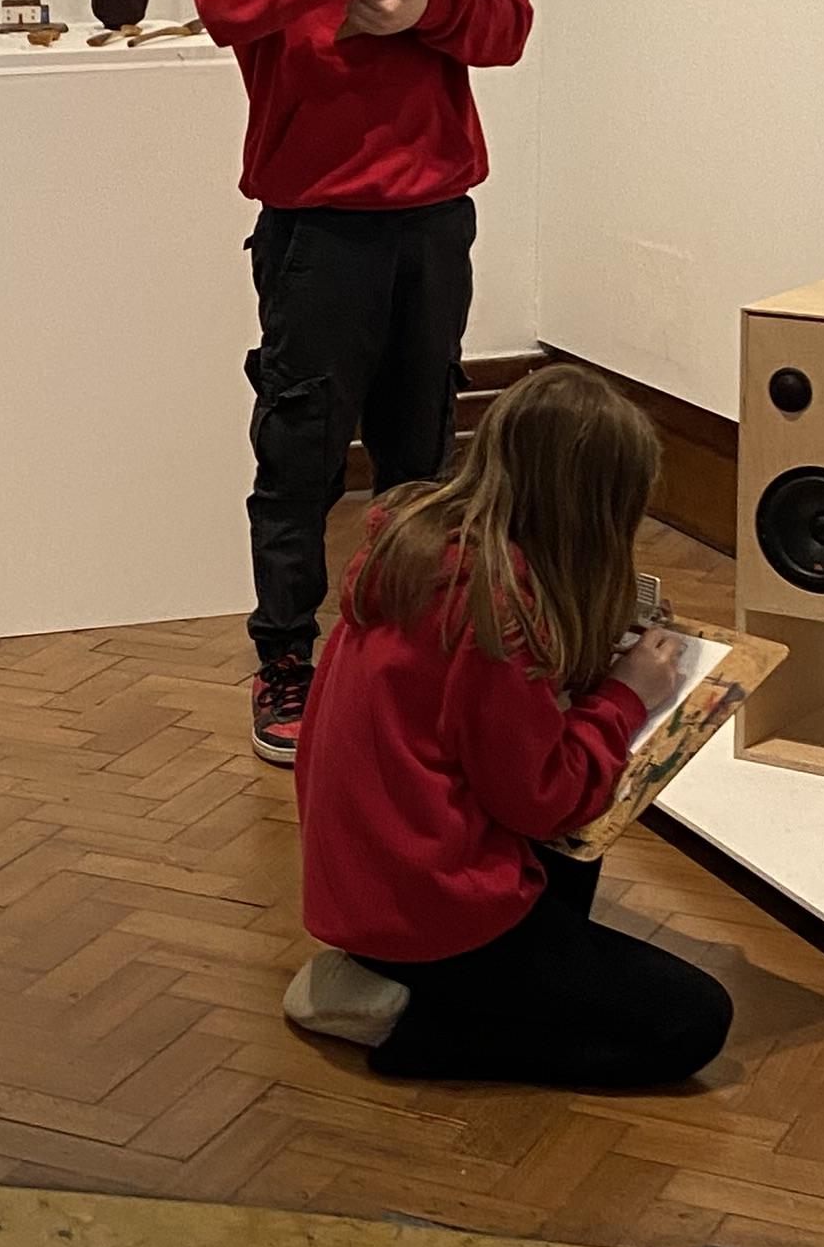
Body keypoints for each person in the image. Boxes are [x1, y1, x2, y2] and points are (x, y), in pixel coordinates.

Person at [192, 0, 533, 768]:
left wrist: (428, 11)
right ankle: (286, 662)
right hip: (319, 230)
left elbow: (511, 25)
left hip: (433, 219)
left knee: (420, 456)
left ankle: (404, 656)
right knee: (299, 454)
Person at [288, 363, 732, 1089]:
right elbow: (545, 800)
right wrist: (626, 697)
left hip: (367, 887)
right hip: (428, 913)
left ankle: (416, 981)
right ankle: (423, 1032)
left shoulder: (422, 547)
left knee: (583, 855)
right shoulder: (492, 612)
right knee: (694, 1022)